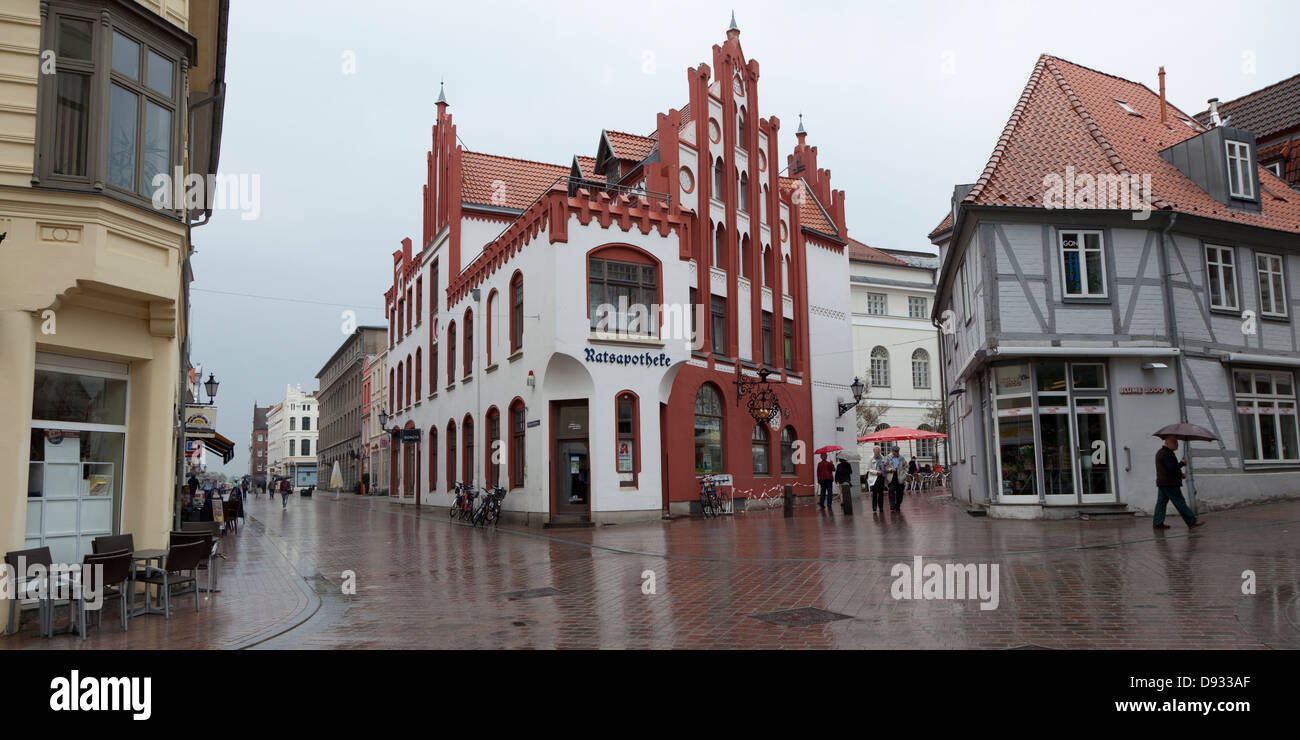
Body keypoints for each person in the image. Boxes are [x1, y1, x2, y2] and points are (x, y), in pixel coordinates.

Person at [1154, 435, 1205, 530]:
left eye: (1177, 443)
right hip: (1170, 483)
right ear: (1168, 443)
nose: (1177, 445)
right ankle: (1192, 521)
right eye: (1175, 443)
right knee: (1180, 502)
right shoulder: (1167, 454)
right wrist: (1182, 463)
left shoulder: (1161, 452)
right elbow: (1171, 468)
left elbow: (1167, 468)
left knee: (1161, 503)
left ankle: (1157, 523)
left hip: (1163, 482)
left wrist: (1180, 474)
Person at [869, 446, 887, 512]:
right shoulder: (871, 458)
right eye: (876, 451)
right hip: (874, 477)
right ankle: (874, 507)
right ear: (873, 451)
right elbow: (869, 469)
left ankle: (881, 507)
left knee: (881, 493)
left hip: (881, 477)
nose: (877, 452)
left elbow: (885, 466)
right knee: (874, 493)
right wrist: (876, 472)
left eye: (878, 451)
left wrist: (885, 467)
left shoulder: (882, 458)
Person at [887, 446, 904, 511]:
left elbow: (906, 466)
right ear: (892, 451)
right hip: (892, 476)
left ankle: (898, 505)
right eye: (895, 451)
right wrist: (890, 469)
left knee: (900, 492)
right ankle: (892, 505)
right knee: (891, 490)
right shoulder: (888, 457)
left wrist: (904, 474)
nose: (897, 453)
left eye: (898, 451)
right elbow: (885, 466)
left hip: (900, 476)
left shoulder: (901, 457)